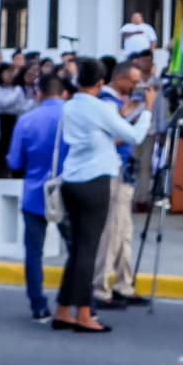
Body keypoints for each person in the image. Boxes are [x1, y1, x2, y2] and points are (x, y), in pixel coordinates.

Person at [54, 60, 149, 333]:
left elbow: (104, 132)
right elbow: (132, 136)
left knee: (77, 252)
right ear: (100, 83)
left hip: (71, 179)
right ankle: (84, 314)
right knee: (87, 251)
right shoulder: (98, 106)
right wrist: (148, 111)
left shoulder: (70, 105)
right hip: (95, 181)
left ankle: (63, 309)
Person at [5, 75, 68, 323]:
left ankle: (38, 304)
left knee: (33, 252)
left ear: (38, 94)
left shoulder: (27, 120)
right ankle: (73, 299)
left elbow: (15, 161)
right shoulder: (72, 118)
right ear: (63, 94)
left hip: (34, 193)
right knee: (76, 250)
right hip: (68, 191)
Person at [94, 61, 151, 312]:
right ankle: (101, 287)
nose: (136, 87)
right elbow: (111, 138)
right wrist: (140, 112)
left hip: (124, 170)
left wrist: (130, 113)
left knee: (124, 232)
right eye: (133, 81)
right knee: (112, 233)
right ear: (119, 79)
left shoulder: (117, 103)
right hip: (114, 170)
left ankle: (123, 283)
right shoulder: (106, 102)